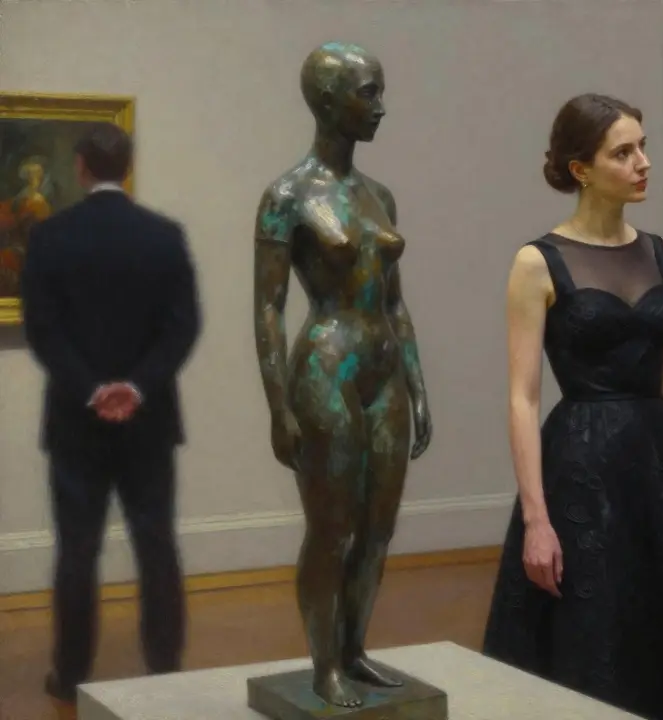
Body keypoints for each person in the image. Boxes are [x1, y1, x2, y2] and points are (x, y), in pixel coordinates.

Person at [482, 93, 663, 719]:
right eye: (623, 152)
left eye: (642, 146)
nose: (643, 163)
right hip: (581, 467)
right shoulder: (537, 262)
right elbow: (521, 395)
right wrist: (537, 519)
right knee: (591, 625)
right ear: (581, 169)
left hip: (659, 467)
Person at [253, 43, 432, 708]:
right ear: (328, 102)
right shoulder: (286, 196)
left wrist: (417, 383)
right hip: (325, 366)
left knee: (380, 527)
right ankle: (324, 662)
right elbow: (268, 309)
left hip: (382, 366)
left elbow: (395, 301)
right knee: (333, 528)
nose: (381, 107)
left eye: (381, 91)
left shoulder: (378, 195)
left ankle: (355, 650)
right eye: (367, 92)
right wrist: (279, 405)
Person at [21, 122, 200, 702]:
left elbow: (41, 330)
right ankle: (166, 668)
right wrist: (138, 387)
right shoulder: (163, 236)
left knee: (77, 550)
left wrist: (92, 390)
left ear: (80, 167)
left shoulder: (50, 237)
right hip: (148, 424)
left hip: (77, 422)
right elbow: (182, 326)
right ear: (125, 166)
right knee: (156, 542)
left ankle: (71, 675)